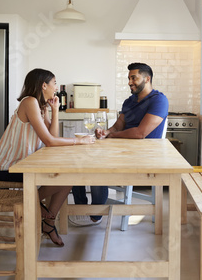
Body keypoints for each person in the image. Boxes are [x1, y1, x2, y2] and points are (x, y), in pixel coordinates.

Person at [0, 68, 95, 246]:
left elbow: (51, 135)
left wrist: (54, 110)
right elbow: (50, 141)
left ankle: (48, 221)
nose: (56, 87)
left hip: (25, 165)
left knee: (68, 176)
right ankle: (32, 204)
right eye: (54, 83)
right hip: (9, 167)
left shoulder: (39, 106)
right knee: (63, 176)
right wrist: (80, 142)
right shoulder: (29, 102)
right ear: (44, 85)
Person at [69, 62, 168, 227]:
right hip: (122, 150)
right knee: (79, 158)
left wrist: (112, 135)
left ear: (147, 78)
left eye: (133, 78)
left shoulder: (159, 100)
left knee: (96, 164)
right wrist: (106, 132)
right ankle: (81, 208)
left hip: (144, 156)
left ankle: (95, 214)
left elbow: (140, 133)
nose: (129, 82)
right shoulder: (129, 101)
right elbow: (117, 127)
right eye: (129, 78)